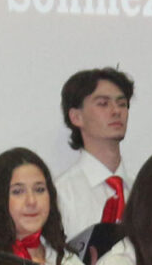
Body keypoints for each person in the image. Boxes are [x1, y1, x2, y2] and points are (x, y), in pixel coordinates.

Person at [52, 66, 135, 254]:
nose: (116, 111)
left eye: (122, 104)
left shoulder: (141, 192)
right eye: (103, 104)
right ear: (76, 117)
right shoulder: (61, 194)